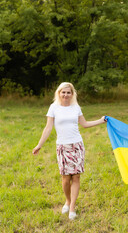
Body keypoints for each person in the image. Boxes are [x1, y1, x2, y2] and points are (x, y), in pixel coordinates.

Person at [32, 82, 106, 220]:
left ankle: (72, 208)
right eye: (63, 92)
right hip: (62, 146)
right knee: (66, 179)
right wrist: (39, 145)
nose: (66, 95)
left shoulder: (76, 107)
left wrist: (101, 121)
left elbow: (84, 124)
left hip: (77, 145)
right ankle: (67, 200)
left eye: (68, 92)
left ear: (72, 94)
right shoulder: (53, 108)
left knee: (76, 177)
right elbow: (48, 128)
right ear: (59, 93)